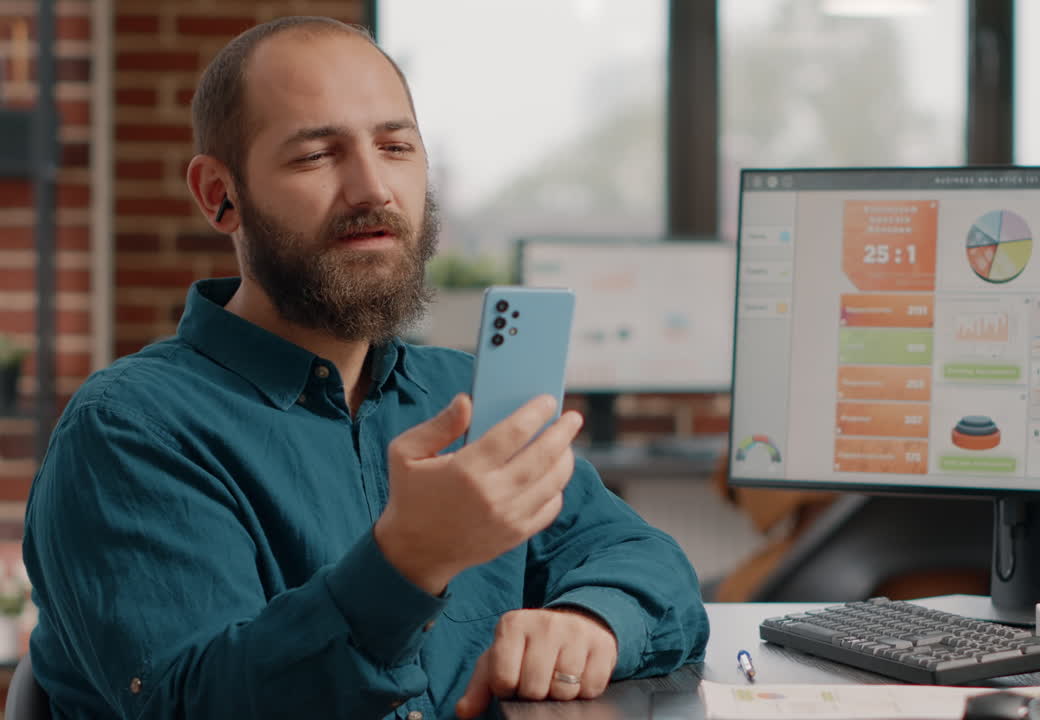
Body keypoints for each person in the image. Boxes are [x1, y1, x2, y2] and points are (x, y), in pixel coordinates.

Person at [22, 16, 708, 720]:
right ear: (219, 196)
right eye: (317, 155)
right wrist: (406, 564)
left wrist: (592, 623)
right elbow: (195, 703)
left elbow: (644, 561)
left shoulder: (463, 395)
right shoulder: (128, 433)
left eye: (395, 146)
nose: (373, 188)